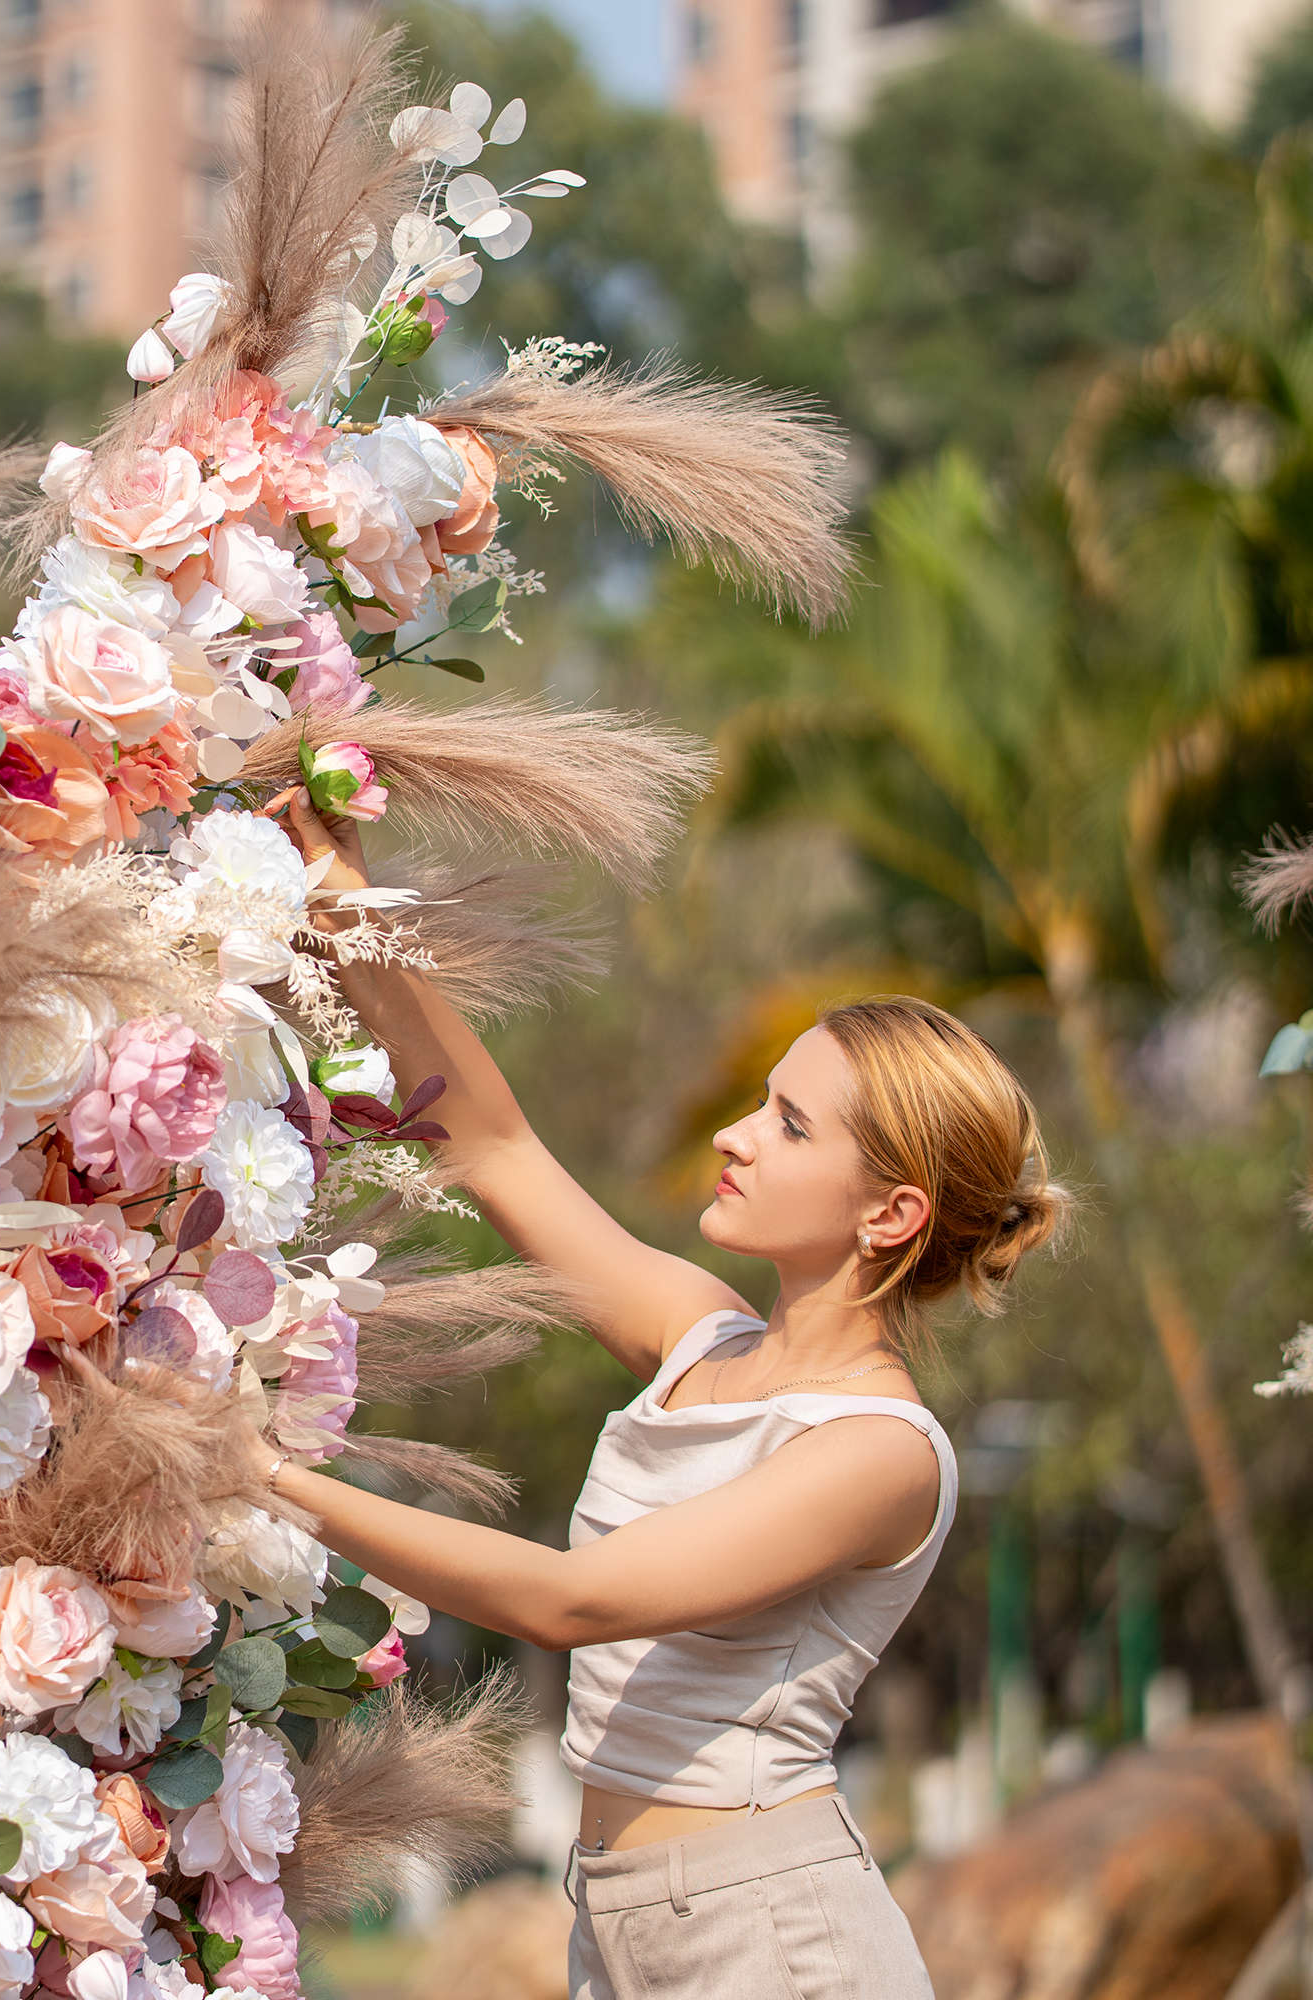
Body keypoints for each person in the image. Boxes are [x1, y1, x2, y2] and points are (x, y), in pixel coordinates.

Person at [255, 789, 1072, 2000]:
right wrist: (346, 899)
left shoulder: (879, 1451)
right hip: (623, 1922)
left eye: (788, 1125)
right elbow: (491, 1144)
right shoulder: (698, 1333)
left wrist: (261, 1480)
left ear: (887, 1213)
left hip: (771, 1940)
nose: (737, 1134)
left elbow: (576, 1600)